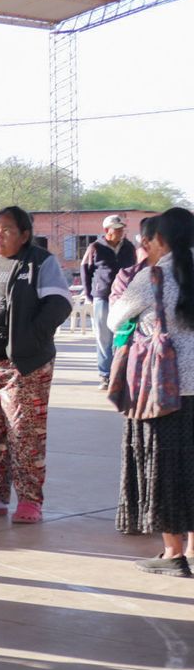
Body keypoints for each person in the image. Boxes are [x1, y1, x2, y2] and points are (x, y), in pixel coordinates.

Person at [0, 206, 72, 524]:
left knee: (24, 435)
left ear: (25, 235)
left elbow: (59, 303)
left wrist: (31, 338)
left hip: (22, 366)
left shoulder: (40, 262)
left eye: (7, 229)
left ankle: (29, 501)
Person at [109, 206, 194, 576]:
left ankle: (173, 554)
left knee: (164, 469)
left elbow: (115, 320)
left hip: (163, 392)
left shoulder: (152, 278)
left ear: (163, 239)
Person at [84, 215, 137, 387]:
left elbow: (134, 269)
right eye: (117, 229)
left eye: (122, 229)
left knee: (123, 336)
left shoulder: (128, 247)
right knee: (104, 337)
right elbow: (86, 270)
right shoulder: (95, 247)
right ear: (107, 231)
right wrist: (90, 295)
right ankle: (106, 375)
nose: (121, 232)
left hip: (125, 298)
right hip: (102, 296)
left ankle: (121, 374)